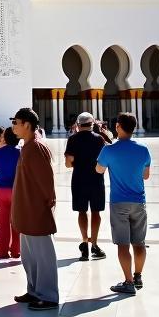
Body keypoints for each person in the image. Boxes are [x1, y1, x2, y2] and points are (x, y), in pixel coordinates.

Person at [96, 111, 151, 296]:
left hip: (119, 202)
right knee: (139, 242)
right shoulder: (143, 149)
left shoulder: (109, 150)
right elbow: (145, 175)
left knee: (123, 244)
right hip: (139, 201)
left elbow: (99, 170)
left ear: (118, 126)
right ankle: (138, 276)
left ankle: (128, 282)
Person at [10, 107, 58, 310]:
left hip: (37, 210)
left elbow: (46, 180)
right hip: (26, 210)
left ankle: (48, 296)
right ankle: (34, 290)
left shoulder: (36, 148)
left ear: (26, 125)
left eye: (16, 122)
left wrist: (48, 202)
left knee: (43, 255)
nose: (13, 127)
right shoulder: (27, 147)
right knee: (30, 256)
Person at [64, 112, 109, 261]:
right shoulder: (99, 139)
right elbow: (104, 161)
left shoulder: (72, 139)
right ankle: (94, 244)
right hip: (96, 179)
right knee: (96, 212)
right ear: (92, 125)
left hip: (79, 179)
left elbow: (68, 163)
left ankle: (84, 242)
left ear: (78, 124)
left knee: (82, 211)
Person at [0, 127, 21, 259]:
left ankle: (1, 251)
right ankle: (15, 251)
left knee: (2, 223)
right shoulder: (20, 152)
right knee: (16, 223)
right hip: (15, 190)